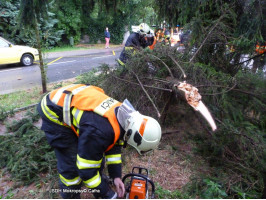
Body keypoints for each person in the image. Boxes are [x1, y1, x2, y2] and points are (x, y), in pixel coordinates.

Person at [37, 84, 162, 199]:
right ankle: (70, 194)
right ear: (134, 137)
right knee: (72, 166)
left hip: (73, 100)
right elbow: (85, 169)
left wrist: (116, 177)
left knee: (92, 156)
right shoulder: (100, 131)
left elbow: (114, 145)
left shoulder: (125, 117)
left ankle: (98, 185)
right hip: (52, 109)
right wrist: (107, 193)